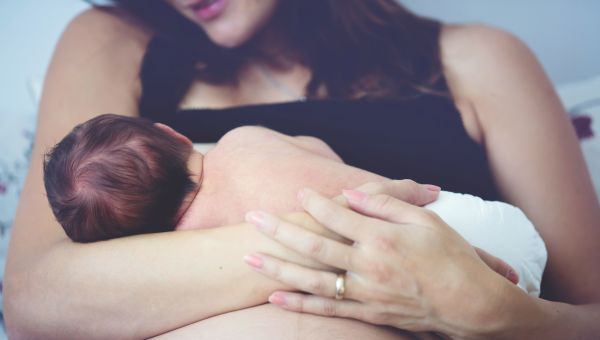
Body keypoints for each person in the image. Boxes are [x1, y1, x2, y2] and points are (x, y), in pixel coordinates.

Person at [4, 0, 600, 338]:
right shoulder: (111, 42)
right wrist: (342, 247)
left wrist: (499, 316)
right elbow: (38, 299)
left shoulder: (480, 59)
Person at [43, 113, 542, 296]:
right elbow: (319, 151)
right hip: (458, 215)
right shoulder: (242, 139)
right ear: (174, 133)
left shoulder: (193, 245)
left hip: (420, 283)